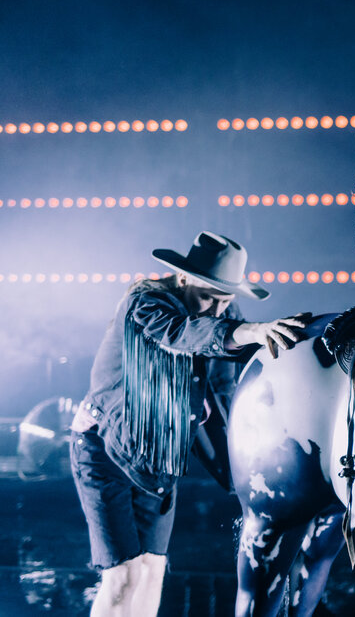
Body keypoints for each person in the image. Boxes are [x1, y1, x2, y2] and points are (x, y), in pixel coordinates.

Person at [69, 231, 308, 617]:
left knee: (151, 571)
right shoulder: (146, 303)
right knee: (123, 576)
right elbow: (180, 334)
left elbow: (228, 379)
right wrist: (249, 331)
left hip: (157, 455)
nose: (218, 309)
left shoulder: (222, 313)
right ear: (183, 278)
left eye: (226, 300)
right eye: (209, 297)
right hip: (104, 450)